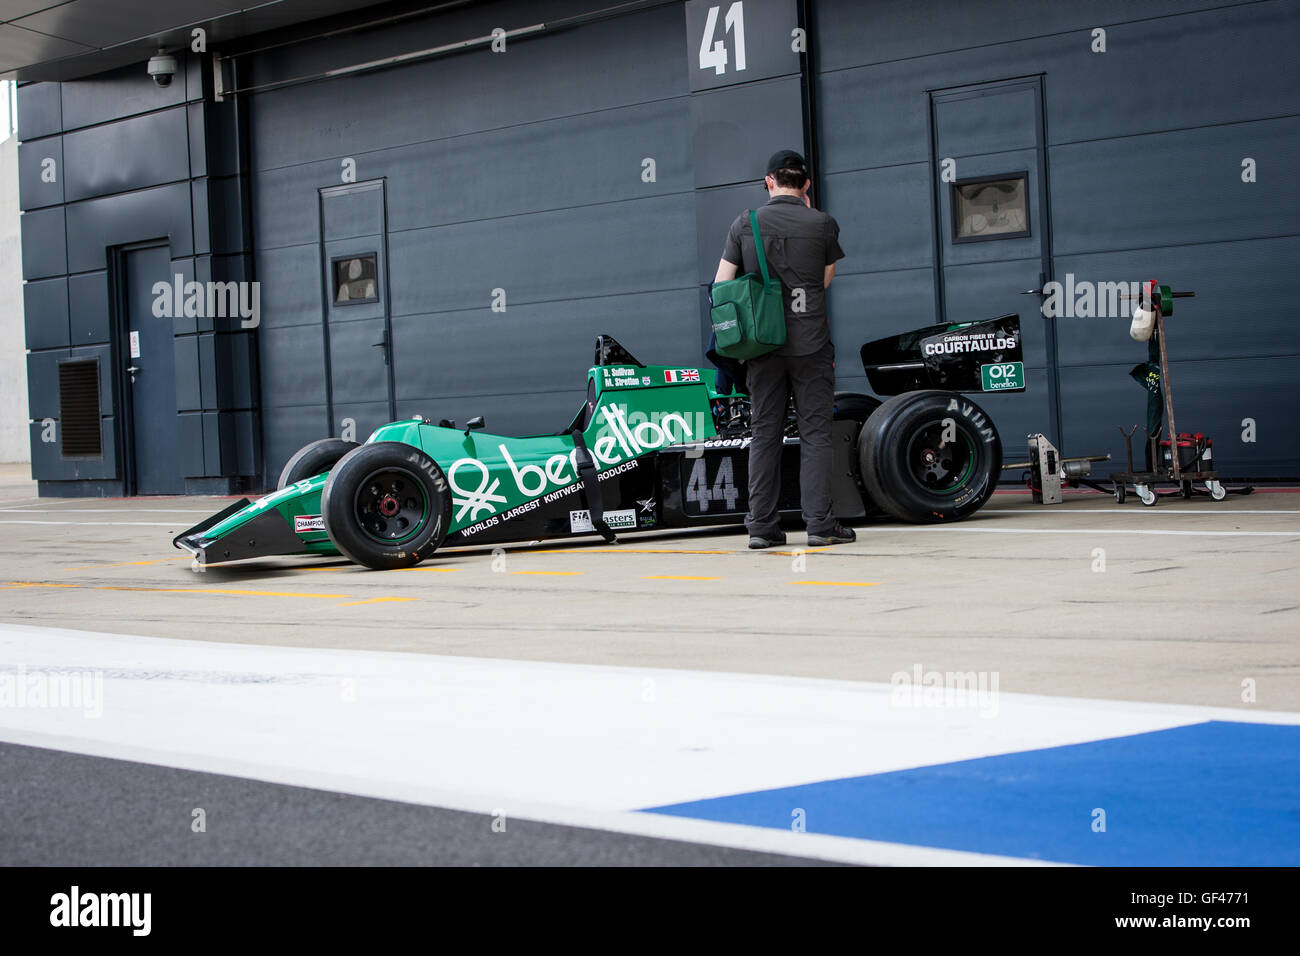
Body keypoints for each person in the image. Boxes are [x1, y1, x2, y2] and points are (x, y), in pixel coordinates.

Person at [713, 149, 854, 549]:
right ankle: (820, 526)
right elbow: (825, 280)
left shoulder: (745, 223)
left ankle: (761, 526)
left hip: (763, 345)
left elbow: (722, 285)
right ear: (806, 184)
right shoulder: (823, 223)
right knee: (815, 434)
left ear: (769, 181)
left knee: (764, 434)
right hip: (811, 344)